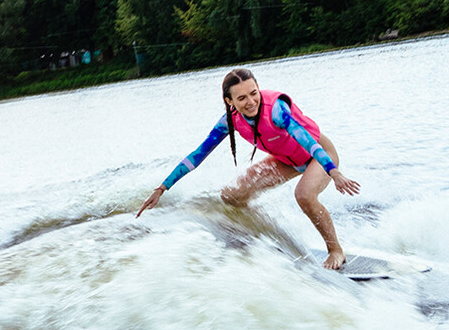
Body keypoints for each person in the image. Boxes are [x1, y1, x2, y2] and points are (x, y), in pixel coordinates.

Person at [136, 68, 362, 269]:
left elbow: (308, 142)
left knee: (303, 195)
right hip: (285, 160)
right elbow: (198, 155)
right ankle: (259, 230)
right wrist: (162, 188)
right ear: (229, 101)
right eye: (242, 98)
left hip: (319, 155)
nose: (251, 101)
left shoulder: (276, 111)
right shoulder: (229, 121)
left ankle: (335, 250)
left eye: (254, 93)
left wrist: (334, 172)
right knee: (231, 195)